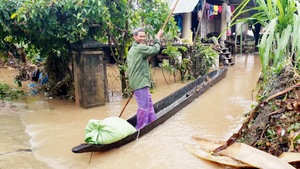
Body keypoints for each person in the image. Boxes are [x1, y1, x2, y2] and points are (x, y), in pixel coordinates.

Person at [127, 28, 163, 130]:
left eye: (144, 36)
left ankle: (153, 122)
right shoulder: (139, 48)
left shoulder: (133, 49)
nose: (143, 38)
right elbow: (155, 50)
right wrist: (157, 38)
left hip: (139, 81)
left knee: (150, 105)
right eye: (140, 36)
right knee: (144, 108)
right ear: (134, 37)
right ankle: (140, 129)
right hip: (140, 82)